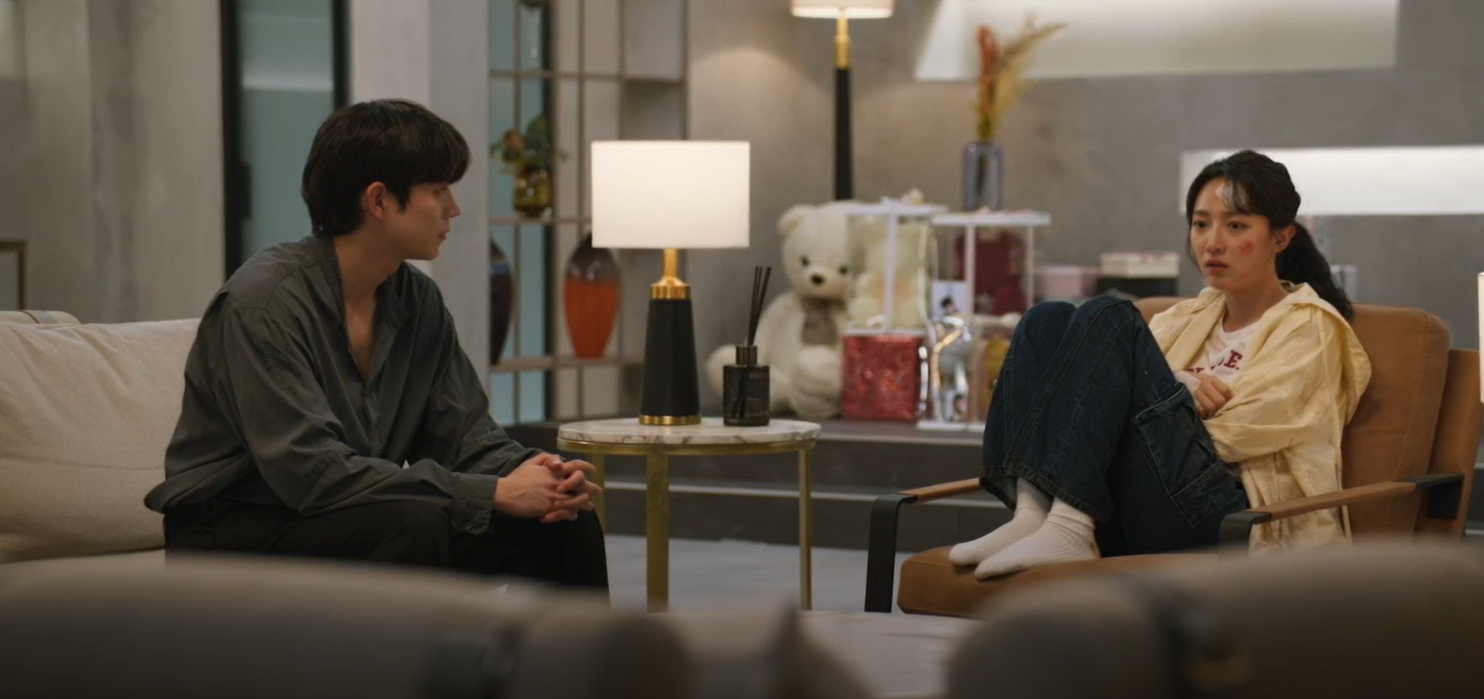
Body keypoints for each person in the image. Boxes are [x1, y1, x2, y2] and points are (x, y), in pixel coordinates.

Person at [144, 99, 608, 591]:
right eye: (438, 190)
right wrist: (492, 492)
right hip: (234, 526)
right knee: (415, 525)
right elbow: (310, 473)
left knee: (563, 522)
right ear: (380, 201)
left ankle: (577, 647)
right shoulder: (264, 303)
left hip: (348, 513)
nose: (454, 208)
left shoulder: (416, 300)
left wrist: (536, 475)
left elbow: (465, 436)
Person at [949, 150, 1370, 579]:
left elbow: (1240, 434)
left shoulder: (1310, 327)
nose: (1212, 242)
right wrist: (1176, 383)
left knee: (1109, 313)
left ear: (1281, 238)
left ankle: (1070, 526)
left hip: (1228, 516)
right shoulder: (1185, 318)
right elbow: (1121, 393)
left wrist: (1158, 395)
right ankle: (1032, 514)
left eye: (1236, 226)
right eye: (1201, 224)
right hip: (1137, 497)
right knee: (1046, 320)